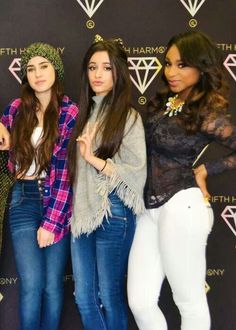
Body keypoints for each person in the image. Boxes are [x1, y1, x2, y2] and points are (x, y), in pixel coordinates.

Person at [127, 31, 236, 330]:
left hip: (182, 205)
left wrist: (206, 170)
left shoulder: (208, 113)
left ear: (201, 67)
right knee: (140, 300)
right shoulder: (163, 101)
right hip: (148, 209)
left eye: (181, 65)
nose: (171, 72)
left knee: (189, 301)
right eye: (168, 63)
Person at [67, 35, 147, 330]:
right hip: (82, 213)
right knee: (84, 298)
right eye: (92, 67)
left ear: (119, 72)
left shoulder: (128, 117)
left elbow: (137, 171)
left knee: (108, 294)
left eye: (106, 68)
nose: (98, 74)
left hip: (114, 211)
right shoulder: (83, 115)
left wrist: (94, 159)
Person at [0, 42, 79, 330]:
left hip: (56, 199)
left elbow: (66, 171)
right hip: (22, 198)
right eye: (30, 69)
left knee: (51, 286)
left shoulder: (70, 112)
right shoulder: (16, 110)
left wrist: (52, 221)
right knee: (31, 285)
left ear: (55, 70)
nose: (37, 74)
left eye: (43, 66)